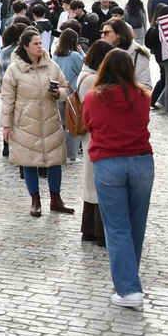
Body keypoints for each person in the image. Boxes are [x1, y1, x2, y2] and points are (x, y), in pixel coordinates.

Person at [83, 48, 155, 308]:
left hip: (109, 161)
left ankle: (128, 288)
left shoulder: (93, 97)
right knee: (136, 224)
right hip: (141, 161)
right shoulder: (143, 96)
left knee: (116, 227)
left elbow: (90, 124)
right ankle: (129, 281)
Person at [1, 29, 73, 217]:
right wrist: (6, 125)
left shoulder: (52, 66)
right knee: (29, 161)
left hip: (49, 119)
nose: (40, 46)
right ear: (25, 47)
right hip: (25, 122)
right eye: (36, 44)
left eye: (41, 43)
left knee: (55, 159)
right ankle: (35, 199)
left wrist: (59, 94)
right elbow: (7, 99)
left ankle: (56, 199)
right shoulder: (14, 70)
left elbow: (66, 88)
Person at [77, 40, 110, 246]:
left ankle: (88, 229)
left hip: (89, 135)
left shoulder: (84, 74)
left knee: (90, 182)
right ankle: (98, 231)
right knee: (97, 183)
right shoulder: (94, 80)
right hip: (96, 135)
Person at [51, 28, 87, 163]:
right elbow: (84, 68)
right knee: (74, 123)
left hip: (59, 92)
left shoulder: (55, 55)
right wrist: (82, 52)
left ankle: (60, 152)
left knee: (62, 123)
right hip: (73, 93)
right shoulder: (74, 55)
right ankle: (71, 154)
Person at [100, 18, 155, 91]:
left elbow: (146, 85)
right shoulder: (102, 51)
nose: (102, 36)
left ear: (118, 34)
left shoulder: (137, 53)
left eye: (106, 33)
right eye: (102, 32)